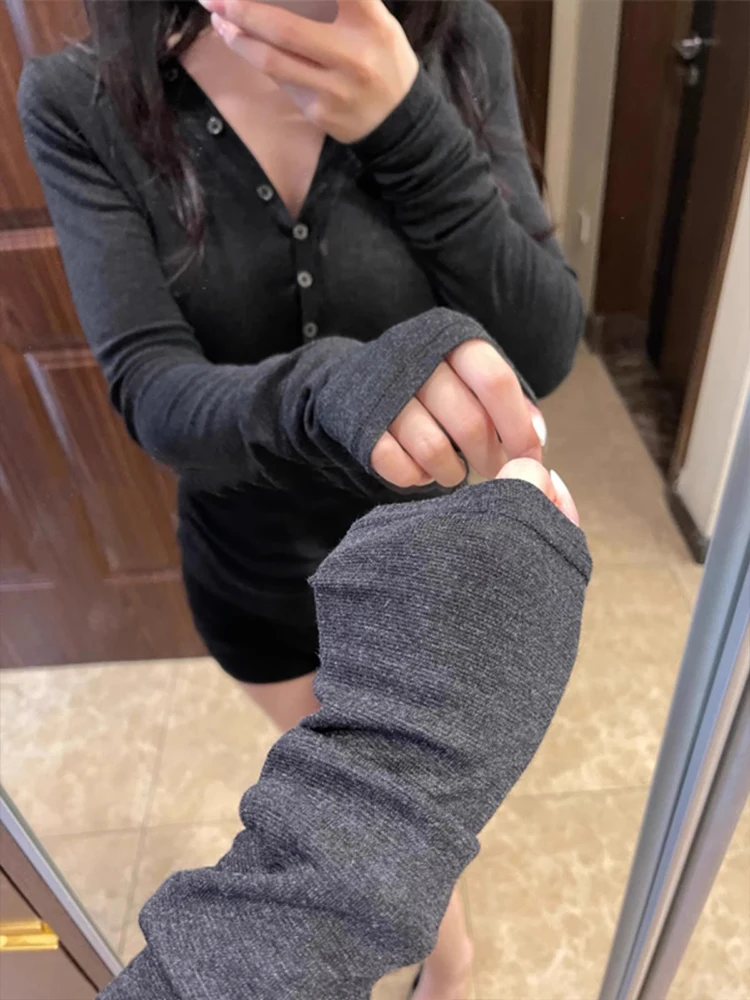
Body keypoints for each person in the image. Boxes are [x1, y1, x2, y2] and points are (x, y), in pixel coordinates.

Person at [18, 2, 583, 995]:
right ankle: (448, 953)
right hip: (259, 572)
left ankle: (449, 962)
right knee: (354, 794)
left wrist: (408, 127)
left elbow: (544, 344)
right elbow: (150, 385)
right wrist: (323, 390)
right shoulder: (83, 97)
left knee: (401, 807)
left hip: (432, 565)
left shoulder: (461, 41)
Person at [99, 460, 591, 1000]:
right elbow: (148, 404)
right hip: (249, 576)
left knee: (379, 814)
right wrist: (318, 414)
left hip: (408, 550)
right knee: (369, 809)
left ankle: (452, 967)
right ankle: (452, 965)